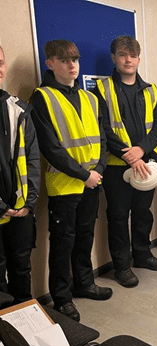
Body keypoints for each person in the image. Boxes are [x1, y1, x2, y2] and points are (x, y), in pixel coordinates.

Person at [30, 40, 112, 321]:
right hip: (65, 185)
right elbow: (50, 147)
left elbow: (101, 137)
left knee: (85, 237)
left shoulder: (90, 97)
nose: (72, 65)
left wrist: (98, 169)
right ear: (50, 63)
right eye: (64, 60)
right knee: (63, 243)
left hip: (93, 180)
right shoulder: (42, 97)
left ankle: (85, 284)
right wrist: (84, 174)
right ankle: (62, 299)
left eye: (75, 59)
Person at [92, 36, 157, 288]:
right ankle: (121, 267)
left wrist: (141, 150)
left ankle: (143, 255)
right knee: (118, 217)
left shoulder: (150, 89)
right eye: (123, 55)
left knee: (143, 214)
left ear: (138, 58)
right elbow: (102, 128)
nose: (128, 60)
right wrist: (128, 154)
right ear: (114, 57)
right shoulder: (100, 90)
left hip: (146, 164)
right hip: (116, 167)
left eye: (133, 55)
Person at [0, 46, 41, 304]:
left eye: (0, 62)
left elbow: (33, 159)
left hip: (20, 210)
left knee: (21, 269)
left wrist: (29, 202)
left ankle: (26, 324)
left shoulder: (18, 110)